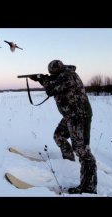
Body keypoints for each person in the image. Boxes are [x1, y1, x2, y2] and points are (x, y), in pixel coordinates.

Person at [30, 60, 97, 194]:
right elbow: (54, 85)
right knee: (59, 136)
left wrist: (41, 79)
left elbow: (51, 90)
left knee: (82, 151)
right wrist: (43, 79)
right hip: (70, 115)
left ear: (57, 71)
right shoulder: (62, 76)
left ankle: (88, 187)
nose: (51, 75)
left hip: (79, 116)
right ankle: (69, 163)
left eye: (52, 74)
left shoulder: (68, 76)